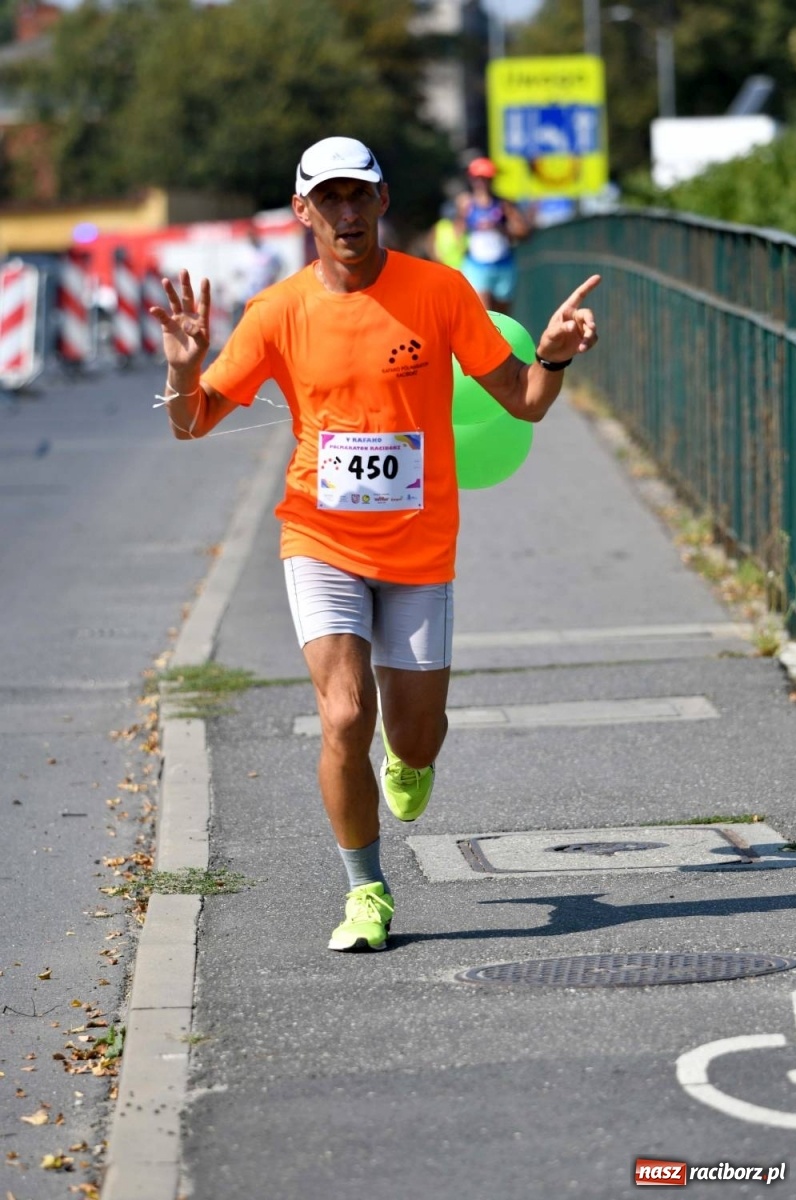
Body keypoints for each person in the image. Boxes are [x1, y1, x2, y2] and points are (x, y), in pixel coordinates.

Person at [150, 135, 600, 954]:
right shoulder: (277, 311)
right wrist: (184, 369)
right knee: (345, 714)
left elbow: (525, 402)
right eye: (329, 198)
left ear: (383, 200)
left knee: (415, 734)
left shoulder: (439, 290)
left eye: (359, 194)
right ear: (303, 211)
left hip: (420, 549)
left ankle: (410, 759)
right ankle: (366, 890)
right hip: (319, 538)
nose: (346, 212)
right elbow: (192, 423)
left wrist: (551, 356)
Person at [457, 155, 532, 314]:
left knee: (502, 315)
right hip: (477, 264)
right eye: (478, 178)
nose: (482, 183)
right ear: (471, 179)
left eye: (486, 178)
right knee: (485, 312)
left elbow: (524, 232)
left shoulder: (503, 204)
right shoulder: (466, 204)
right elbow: (457, 233)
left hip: (503, 264)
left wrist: (501, 228)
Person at [428, 199, 467, 269]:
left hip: (461, 266)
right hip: (446, 266)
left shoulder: (464, 228)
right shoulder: (441, 225)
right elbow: (431, 240)